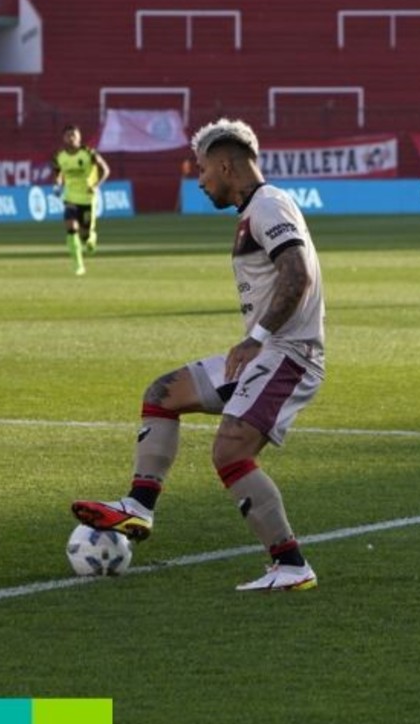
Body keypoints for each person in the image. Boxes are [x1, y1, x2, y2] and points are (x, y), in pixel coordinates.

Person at [72, 118, 325, 592]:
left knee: (230, 450)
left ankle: (291, 566)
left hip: (288, 354)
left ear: (226, 165)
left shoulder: (268, 206)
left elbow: (297, 273)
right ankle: (139, 506)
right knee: (163, 394)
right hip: (266, 352)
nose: (201, 180)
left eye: (203, 170)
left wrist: (257, 336)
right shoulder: (257, 209)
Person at [51, 125, 111, 276]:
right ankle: (79, 265)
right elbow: (58, 174)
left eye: (74, 135)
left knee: (84, 236)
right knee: (71, 228)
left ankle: (91, 238)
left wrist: (96, 186)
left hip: (87, 198)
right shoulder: (59, 156)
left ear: (79, 137)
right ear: (63, 138)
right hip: (70, 198)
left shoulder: (89, 153)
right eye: (68, 135)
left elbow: (106, 169)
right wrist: (57, 185)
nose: (71, 138)